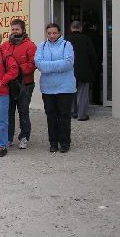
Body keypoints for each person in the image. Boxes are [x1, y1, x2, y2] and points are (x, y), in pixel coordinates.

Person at [35, 23, 76, 153]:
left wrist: (49, 66)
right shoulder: (42, 46)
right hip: (48, 88)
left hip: (65, 87)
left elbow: (68, 63)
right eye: (49, 33)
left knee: (64, 116)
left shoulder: (66, 45)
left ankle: (64, 143)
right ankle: (53, 142)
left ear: (59, 33)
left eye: (54, 33)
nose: (52, 36)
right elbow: (39, 64)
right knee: (51, 116)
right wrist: (57, 65)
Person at [0, 18, 37, 149]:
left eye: (17, 29)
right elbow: (0, 61)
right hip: (9, 84)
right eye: (13, 29)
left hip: (25, 84)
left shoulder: (30, 45)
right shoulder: (5, 45)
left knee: (23, 111)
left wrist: (16, 69)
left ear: (23, 30)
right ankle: (9, 137)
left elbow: (33, 64)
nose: (14, 31)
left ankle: (24, 137)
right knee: (8, 112)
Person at [66, 21, 98, 121]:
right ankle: (82, 115)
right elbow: (93, 56)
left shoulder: (66, 39)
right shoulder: (86, 39)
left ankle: (73, 112)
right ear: (80, 28)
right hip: (84, 71)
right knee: (83, 93)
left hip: (69, 71)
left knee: (71, 93)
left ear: (71, 28)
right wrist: (94, 69)